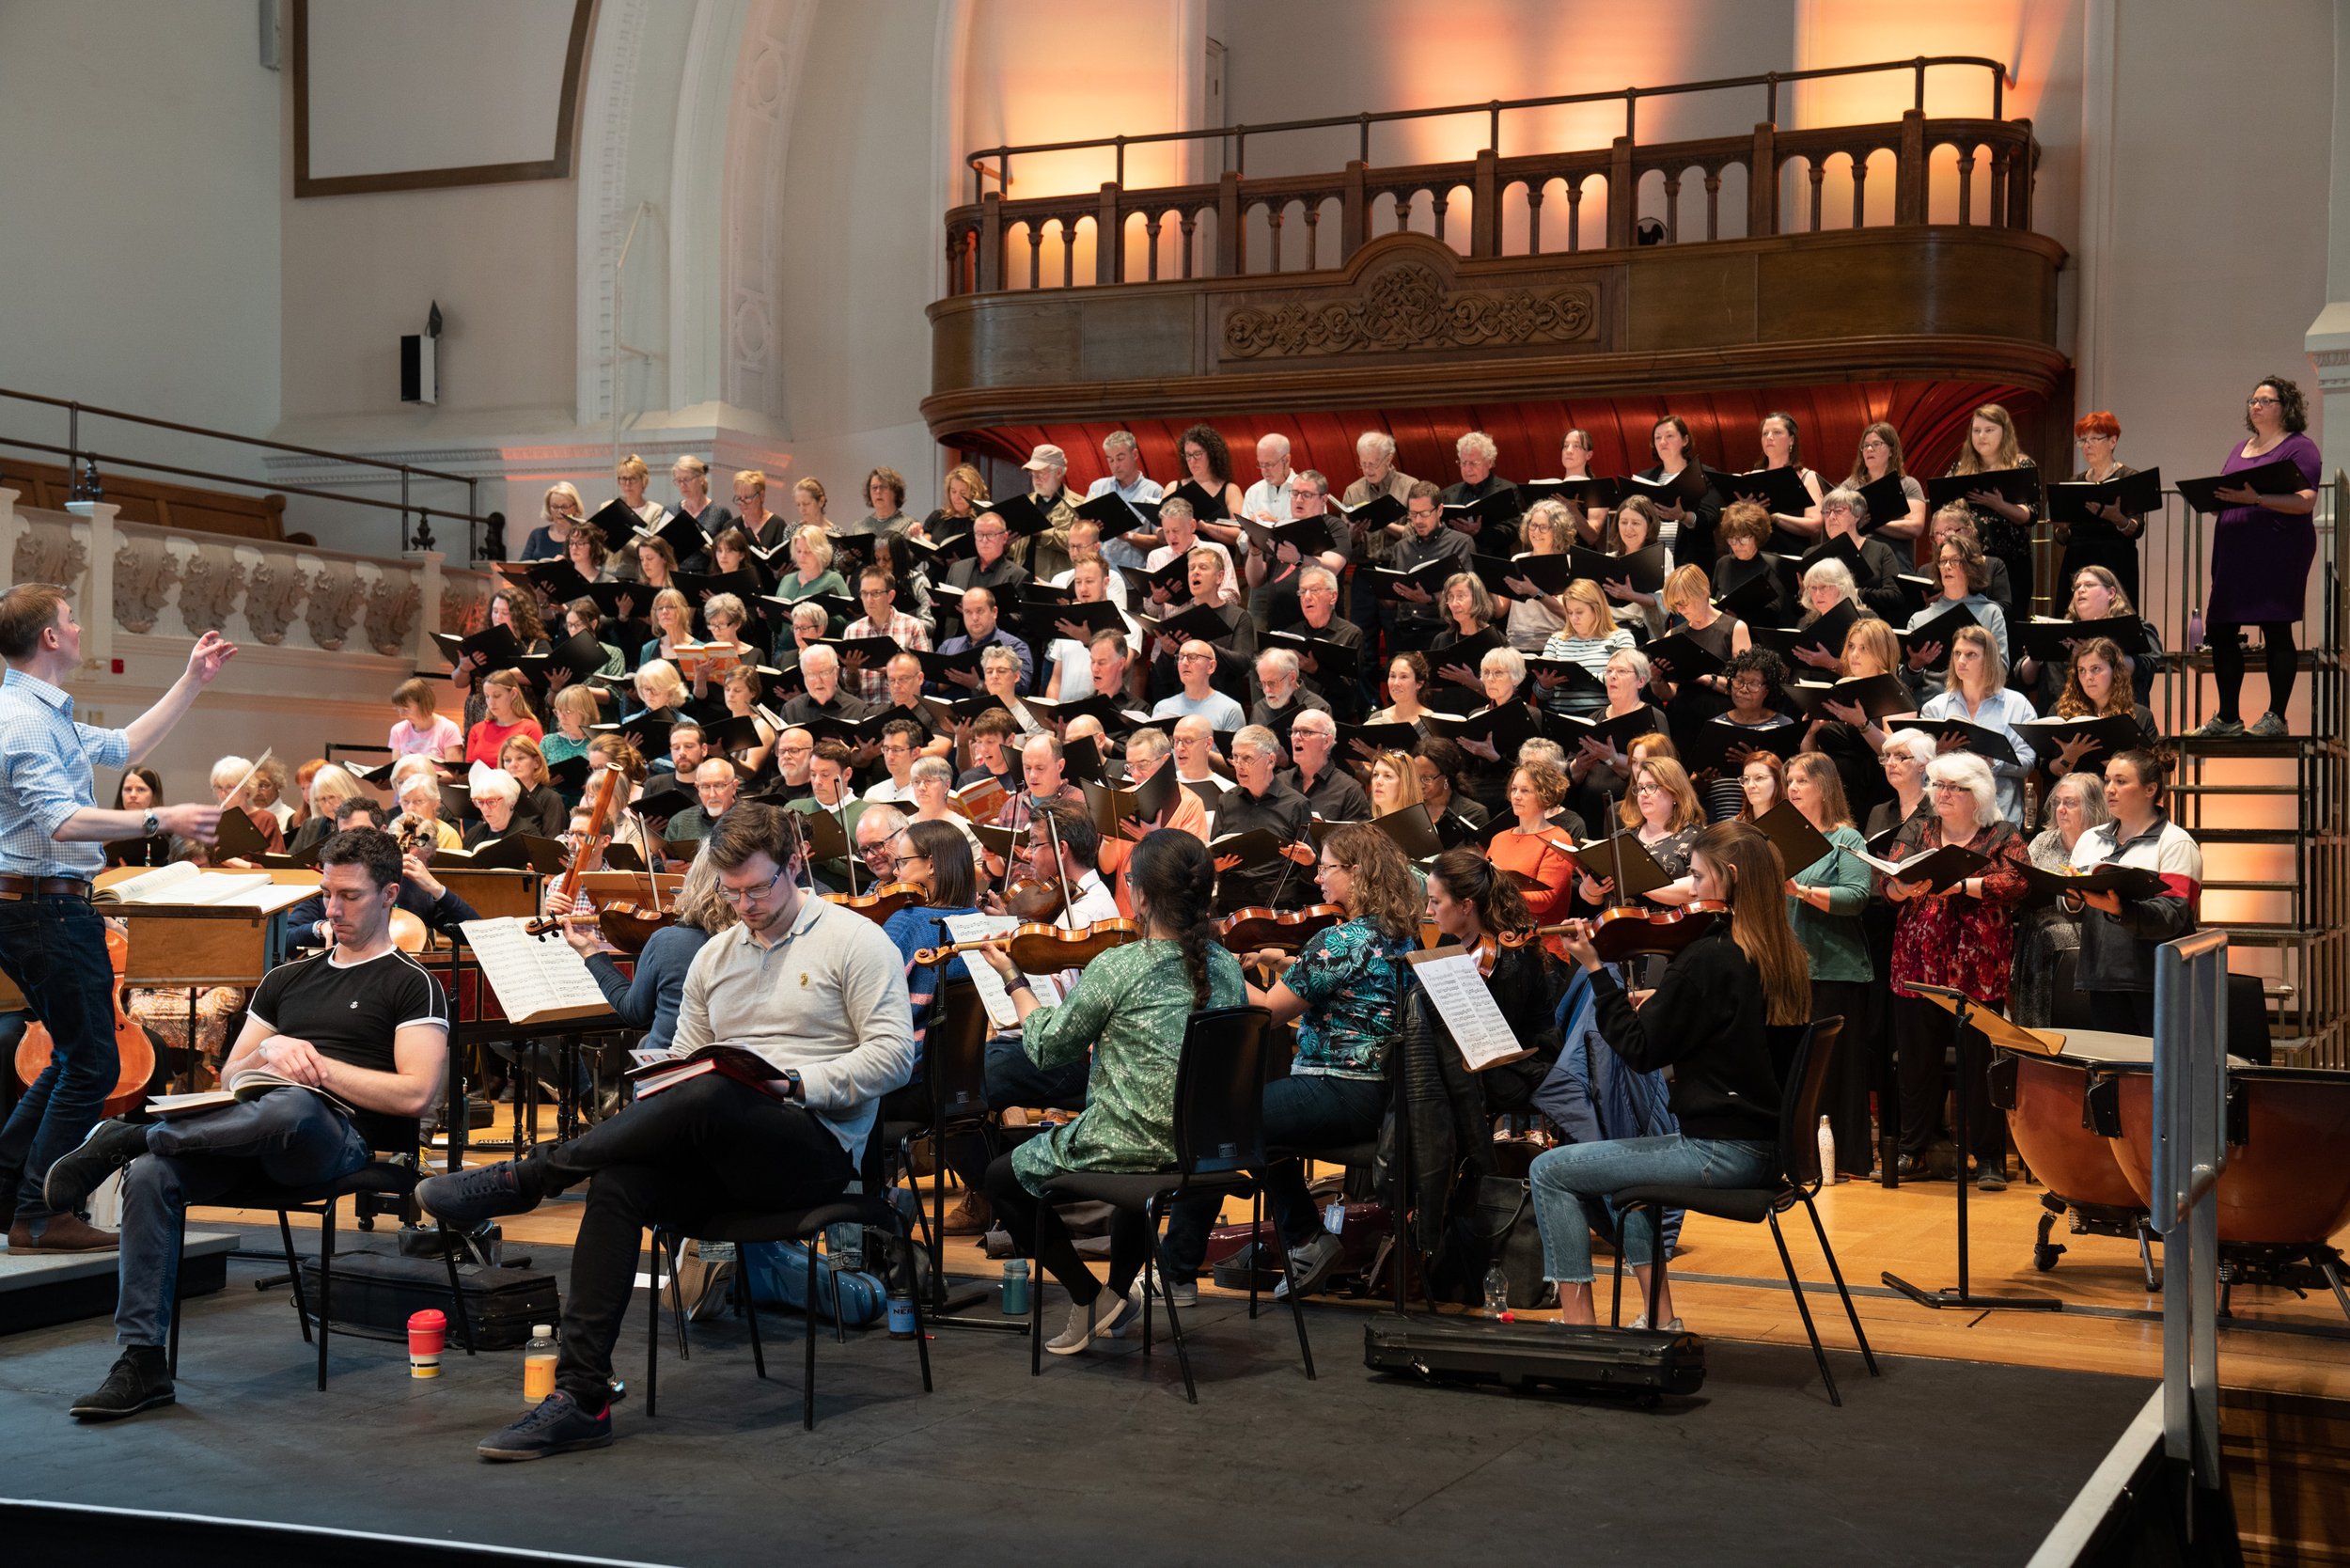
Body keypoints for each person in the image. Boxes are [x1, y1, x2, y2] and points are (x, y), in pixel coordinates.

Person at [424, 804, 914, 1459]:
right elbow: (683, 1068)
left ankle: (530, 1176)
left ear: (795, 865)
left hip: (811, 1146)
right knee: (625, 1177)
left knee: (714, 1088)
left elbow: (893, 1058)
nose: (744, 904)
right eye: (730, 891)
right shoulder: (716, 955)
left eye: (758, 888)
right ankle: (582, 1396)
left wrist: (792, 1083)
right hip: (723, 1147)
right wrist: (669, 1082)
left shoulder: (855, 941)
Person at [52, 826, 446, 1418]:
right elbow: (232, 1075)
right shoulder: (287, 978)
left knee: (294, 1105)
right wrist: (269, 1054)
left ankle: (131, 1136)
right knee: (155, 1176)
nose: (332, 909)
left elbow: (417, 1095)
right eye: (327, 893)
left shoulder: (413, 984)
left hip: (336, 1144)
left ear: (390, 894)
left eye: (350, 896)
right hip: (251, 1134)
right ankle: (142, 1363)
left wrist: (316, 1068)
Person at [0, 591, 234, 1250]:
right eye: (71, 619)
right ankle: (41, 1215)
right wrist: (164, 818)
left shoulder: (43, 712)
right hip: (43, 905)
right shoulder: (22, 720)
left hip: (40, 903)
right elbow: (62, 820)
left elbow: (127, 743)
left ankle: (12, 1192)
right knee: (95, 1065)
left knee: (79, 1055)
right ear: (50, 636)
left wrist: (192, 680)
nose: (79, 627)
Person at [966, 829, 1241, 1351]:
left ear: (1138, 894)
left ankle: (1088, 1294)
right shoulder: (1225, 965)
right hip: (1201, 1145)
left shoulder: (1119, 965)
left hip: (1134, 1141)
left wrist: (1014, 979)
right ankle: (1116, 1293)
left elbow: (1046, 1048)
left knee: (1001, 1178)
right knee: (1131, 1178)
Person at [1529, 822, 1807, 1329]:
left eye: (1699, 877)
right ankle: (1659, 1319)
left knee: (1550, 1170)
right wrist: (1669, 1002)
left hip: (1720, 1153)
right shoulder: (1782, 953)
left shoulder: (1708, 957)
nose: (1692, 891)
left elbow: (1639, 1052)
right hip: (1771, 1149)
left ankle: (1578, 1327)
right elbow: (1732, 1026)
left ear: (1731, 877)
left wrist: (1595, 969)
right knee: (1636, 1168)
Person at [1164, 823, 1420, 1304]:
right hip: (1381, 1096)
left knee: (1216, 1122)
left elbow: (1264, 1015)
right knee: (1261, 1130)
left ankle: (1176, 1272)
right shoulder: (1398, 935)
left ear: (1358, 873)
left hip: (1338, 1088)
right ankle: (1305, 1237)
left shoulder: (1339, 942)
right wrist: (1287, 965)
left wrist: (1219, 966)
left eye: (1327, 868)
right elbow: (1343, 990)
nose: (1318, 878)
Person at [1885, 752, 2030, 1188]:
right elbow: (1889, 881)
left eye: (1954, 787)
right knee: (1917, 1065)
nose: (1942, 794)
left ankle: (1987, 1158)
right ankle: (1915, 1152)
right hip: (1918, 965)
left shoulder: (2001, 833)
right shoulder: (1918, 828)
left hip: (1977, 968)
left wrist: (1965, 885)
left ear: (1978, 794)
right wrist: (1898, 886)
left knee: (1978, 1064)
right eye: (1939, 785)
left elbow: (2020, 882)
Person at [2192, 375, 2324, 739]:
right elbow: (2230, 491)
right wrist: (2216, 499)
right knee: (2220, 630)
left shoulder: (2300, 447)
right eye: (2253, 400)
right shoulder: (2240, 448)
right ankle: (2228, 717)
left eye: (2266, 400)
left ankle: (2276, 717)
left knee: (2276, 625)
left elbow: (2306, 500)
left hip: (2278, 549)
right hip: (2235, 549)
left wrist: (2257, 500)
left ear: (2286, 407)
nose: (2257, 406)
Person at [1781, 754, 1875, 1181]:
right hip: (1791, 969)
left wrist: (1801, 890)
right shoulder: (1780, 838)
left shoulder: (1847, 838)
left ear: (1824, 785)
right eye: (1789, 780)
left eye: (1802, 779)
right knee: (1795, 1069)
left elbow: (1856, 896)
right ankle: (1799, 1159)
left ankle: (1847, 1160)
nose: (1793, 787)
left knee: (1837, 1069)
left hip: (1835, 969)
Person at [2063, 751, 2202, 1034]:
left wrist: (2120, 909)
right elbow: (2073, 910)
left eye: (2121, 781)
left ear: (2150, 789)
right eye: (2107, 780)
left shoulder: (2175, 842)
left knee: (2154, 1073)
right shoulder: (2091, 839)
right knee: (2115, 1073)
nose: (2109, 789)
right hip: (2102, 975)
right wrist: (2071, 897)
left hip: (2157, 981)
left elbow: (2172, 915)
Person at [2011, 770, 2109, 1030]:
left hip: (2083, 947)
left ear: (2092, 806)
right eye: (2058, 803)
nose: (2061, 809)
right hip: (2036, 942)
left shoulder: (2105, 846)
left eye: (2070, 803)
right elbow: (2021, 879)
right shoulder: (2043, 841)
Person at [1918, 624, 2036, 824]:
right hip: (1947, 819)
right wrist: (1938, 752)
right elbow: (1918, 769)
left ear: (1988, 660)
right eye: (1957, 654)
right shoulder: (1935, 708)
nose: (1961, 661)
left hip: (2000, 816)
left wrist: (1994, 762)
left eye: (1971, 654)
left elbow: (2027, 762)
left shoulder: (2017, 705)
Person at [1575, 755, 1707, 912]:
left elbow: (1697, 890)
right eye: (1639, 787)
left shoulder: (1698, 838)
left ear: (1675, 793)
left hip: (1669, 930)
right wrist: (1591, 890)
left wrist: (1637, 883)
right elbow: (1593, 899)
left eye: (1651, 787)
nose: (1643, 794)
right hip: (1618, 928)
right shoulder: (1621, 836)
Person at [1944, 403, 2041, 610]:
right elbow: (1944, 507)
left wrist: (1998, 504)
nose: (1981, 436)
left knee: (2008, 623)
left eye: (1989, 430)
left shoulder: (2021, 466)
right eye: (1976, 430)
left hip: (2010, 563)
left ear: (2004, 433)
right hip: (1968, 562)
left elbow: (2031, 515)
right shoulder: (1960, 469)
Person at [1212, 727, 1315, 912]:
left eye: (1247, 758)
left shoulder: (1296, 804)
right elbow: (1214, 852)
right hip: (1231, 902)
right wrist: (1214, 866)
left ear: (1270, 760)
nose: (1239, 765)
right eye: (1235, 757)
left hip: (1279, 905)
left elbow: (1310, 869)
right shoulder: (1225, 800)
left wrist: (1309, 861)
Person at [2041, 636, 2159, 789]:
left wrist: (2105, 759)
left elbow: (2152, 772)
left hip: (2122, 806)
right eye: (2082, 671)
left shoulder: (2140, 716)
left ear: (2115, 671)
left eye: (2096, 669)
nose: (2088, 677)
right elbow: (2046, 771)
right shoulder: (2061, 712)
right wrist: (2069, 757)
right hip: (2075, 801)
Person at [2058, 411, 2148, 605]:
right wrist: (2062, 527)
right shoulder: (2075, 482)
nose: (2087, 445)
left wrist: (2117, 518)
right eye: (2082, 440)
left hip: (2116, 560)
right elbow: (2063, 537)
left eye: (2094, 439)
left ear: (2112, 442)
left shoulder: (2128, 478)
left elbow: (2137, 528)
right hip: (2078, 560)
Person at [1486, 761, 1582, 938]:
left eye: (1525, 791)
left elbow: (1544, 901)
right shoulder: (1499, 839)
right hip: (1498, 938)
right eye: (1514, 789)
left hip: (1541, 945)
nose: (1516, 796)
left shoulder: (1558, 839)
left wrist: (1496, 892)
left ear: (1544, 795)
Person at [1386, 480, 1474, 652]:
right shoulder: (1401, 547)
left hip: (1442, 631)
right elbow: (1390, 603)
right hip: (1404, 633)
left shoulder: (1460, 543)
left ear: (1439, 510)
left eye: (1424, 513)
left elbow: (1466, 593)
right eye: (1413, 514)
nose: (1418, 520)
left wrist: (1430, 599)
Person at [1639, 413, 1724, 566]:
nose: (1662, 442)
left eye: (1669, 436)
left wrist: (1683, 516)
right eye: (1657, 438)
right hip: (1652, 561)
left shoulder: (1704, 474)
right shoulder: (1645, 477)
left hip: (1691, 561)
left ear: (1685, 440)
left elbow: (1710, 518)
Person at [1282, 709, 1371, 822]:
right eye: (1294, 731)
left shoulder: (1349, 790)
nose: (1296, 737)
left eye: (1306, 732)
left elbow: (1357, 838)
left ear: (1326, 742)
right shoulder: (1279, 783)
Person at [1847, 420, 1927, 541]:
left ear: (1891, 451)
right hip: (1859, 553)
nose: (1869, 449)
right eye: (1865, 445)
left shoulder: (1908, 484)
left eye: (1876, 444)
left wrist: (1872, 523)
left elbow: (1915, 527)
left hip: (1895, 555)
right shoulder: (1849, 486)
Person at [1150, 639, 1246, 731]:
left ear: (1211, 666)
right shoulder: (1162, 708)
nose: (1184, 663)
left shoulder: (1230, 709)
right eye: (1180, 657)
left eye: (1192, 657)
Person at [465, 668, 543, 769]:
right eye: (487, 696)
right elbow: (469, 768)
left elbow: (538, 769)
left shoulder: (530, 728)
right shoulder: (477, 729)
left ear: (513, 694)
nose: (491, 702)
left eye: (497, 696)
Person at [499, 735, 569, 839]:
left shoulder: (551, 799)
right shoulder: (499, 797)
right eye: (508, 760)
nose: (513, 764)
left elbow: (553, 843)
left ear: (536, 762)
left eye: (520, 758)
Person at [389, 676, 465, 765]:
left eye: (406, 710)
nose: (401, 715)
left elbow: (454, 774)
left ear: (423, 704)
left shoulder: (448, 728)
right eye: (398, 710)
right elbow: (396, 770)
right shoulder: (398, 730)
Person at [670, 455, 734, 541]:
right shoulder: (671, 511)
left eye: (687, 479)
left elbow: (730, 546)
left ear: (701, 479)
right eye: (679, 480)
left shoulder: (720, 513)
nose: (682, 485)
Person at [521, 482, 587, 562]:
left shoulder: (585, 535)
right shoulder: (537, 534)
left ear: (575, 507)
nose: (560, 511)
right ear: (549, 508)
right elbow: (522, 565)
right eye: (555, 507)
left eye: (564, 506)